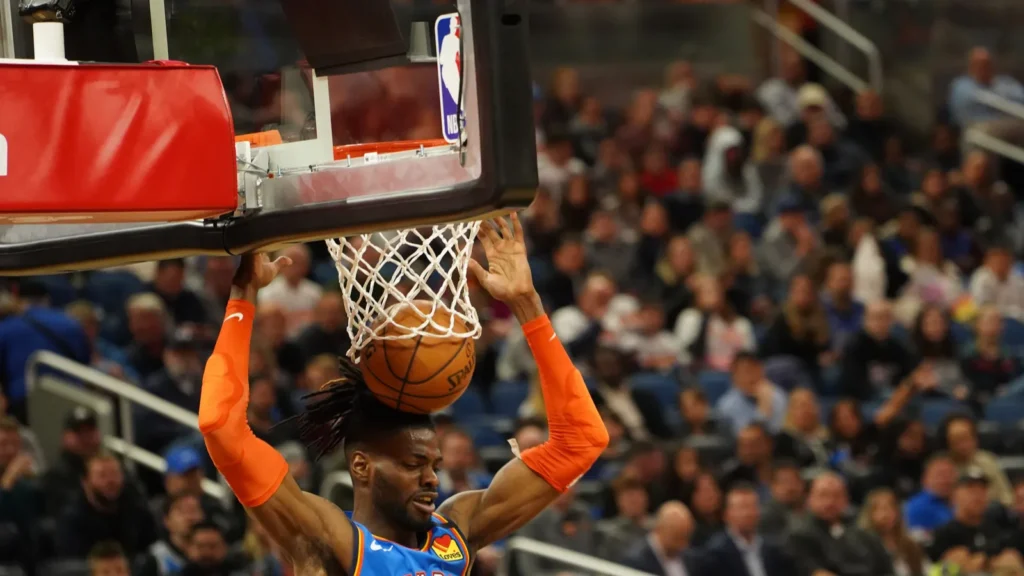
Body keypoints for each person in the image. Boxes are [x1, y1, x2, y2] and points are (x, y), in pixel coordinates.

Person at [198, 214, 609, 575]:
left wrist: (528, 306)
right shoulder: (327, 539)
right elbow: (221, 427)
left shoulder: (458, 531)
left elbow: (582, 441)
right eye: (414, 464)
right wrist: (243, 298)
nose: (432, 478)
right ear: (362, 466)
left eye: (433, 463)